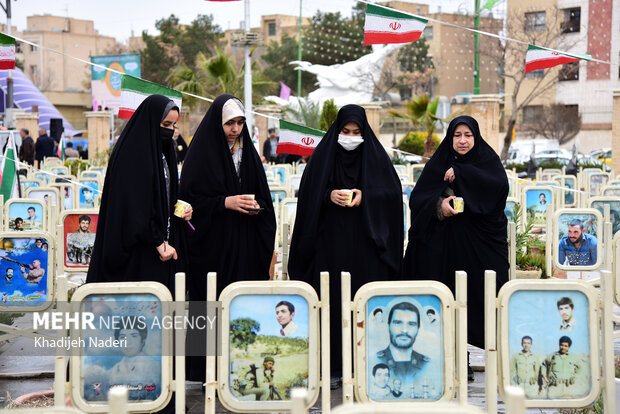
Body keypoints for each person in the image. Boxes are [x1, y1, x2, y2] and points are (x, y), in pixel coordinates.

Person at [288, 105, 403, 388]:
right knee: (332, 304)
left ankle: (368, 365)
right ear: (336, 131)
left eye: (356, 133)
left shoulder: (376, 158)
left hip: (367, 249)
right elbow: (310, 195)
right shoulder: (322, 158)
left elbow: (391, 194)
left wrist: (368, 196)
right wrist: (329, 195)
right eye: (345, 132)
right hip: (330, 249)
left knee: (364, 305)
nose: (351, 138)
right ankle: (333, 366)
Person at [402, 115, 509, 381]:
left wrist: (463, 173)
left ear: (476, 137)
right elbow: (418, 199)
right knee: (447, 299)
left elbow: (497, 190)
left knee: (477, 299)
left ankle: (483, 355)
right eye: (457, 135)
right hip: (446, 248)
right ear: (450, 138)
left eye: (468, 135)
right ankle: (457, 358)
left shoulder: (487, 161)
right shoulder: (440, 163)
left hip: (479, 248)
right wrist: (441, 206)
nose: (462, 141)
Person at [179, 94, 275, 382]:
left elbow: (265, 201)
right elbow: (187, 202)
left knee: (242, 306)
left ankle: (244, 369)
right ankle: (202, 371)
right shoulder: (201, 155)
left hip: (244, 246)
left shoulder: (248, 155)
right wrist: (224, 203)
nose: (235, 129)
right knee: (209, 303)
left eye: (240, 122)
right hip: (212, 248)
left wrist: (256, 208)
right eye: (229, 123)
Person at [86, 95, 192, 293]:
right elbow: (134, 208)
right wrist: (158, 242)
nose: (170, 131)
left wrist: (179, 208)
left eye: (173, 125)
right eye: (165, 124)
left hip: (160, 246)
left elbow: (163, 195)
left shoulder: (162, 150)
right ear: (152, 122)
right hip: (136, 250)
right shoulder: (132, 154)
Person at [375, 301, 429, 383]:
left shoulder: (427, 364)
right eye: (397, 323)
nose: (404, 330)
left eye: (411, 324)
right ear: (388, 326)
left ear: (418, 329)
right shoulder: (375, 359)